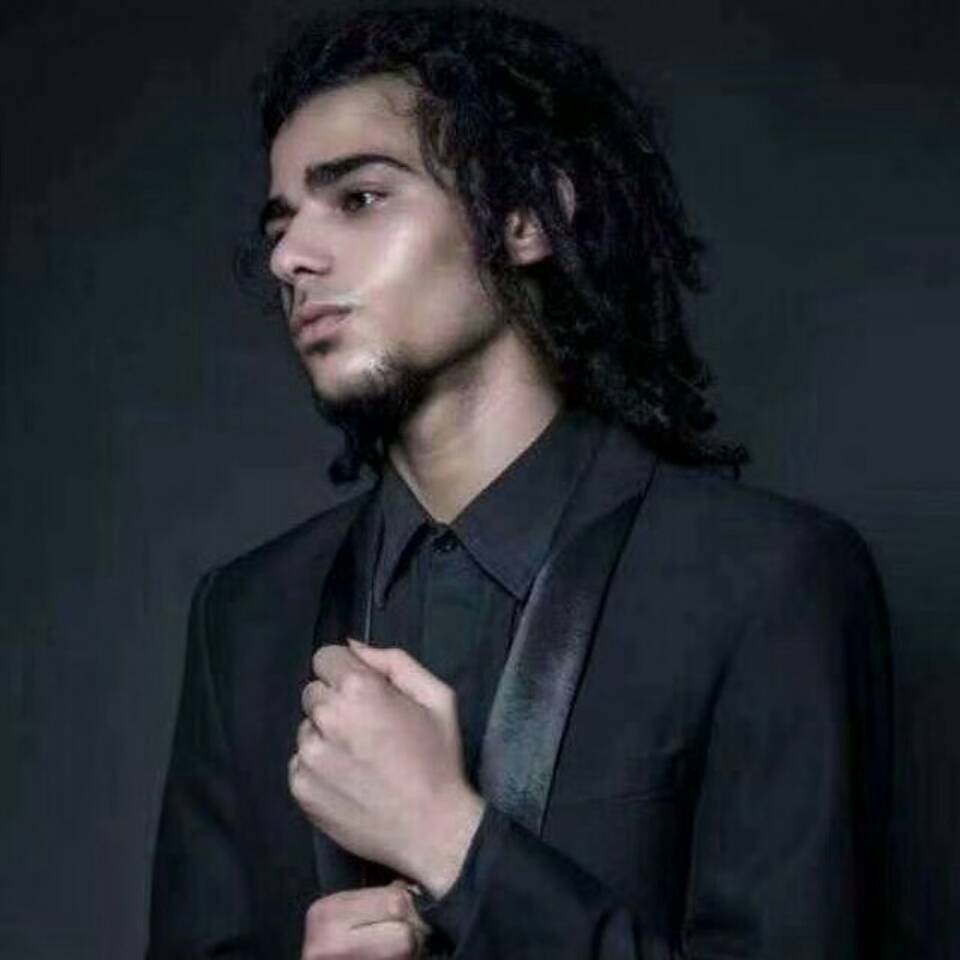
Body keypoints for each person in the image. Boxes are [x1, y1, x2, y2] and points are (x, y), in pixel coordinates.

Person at [146, 5, 892, 958]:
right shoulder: (244, 617)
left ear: (526, 215)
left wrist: (450, 843)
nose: (291, 257)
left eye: (360, 198)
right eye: (282, 222)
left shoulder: (771, 581)